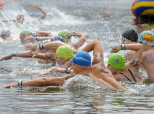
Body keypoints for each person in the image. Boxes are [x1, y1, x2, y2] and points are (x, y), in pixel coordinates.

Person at [3, 39, 133, 93]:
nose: (71, 67)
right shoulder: (100, 65)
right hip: (131, 93)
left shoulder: (78, 76)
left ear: (81, 67)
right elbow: (96, 42)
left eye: (74, 64)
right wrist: (71, 62)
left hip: (117, 96)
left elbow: (45, 81)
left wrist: (18, 84)